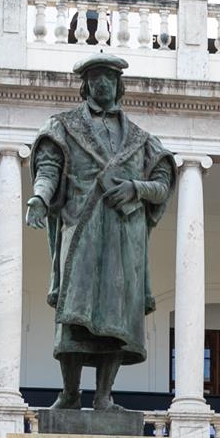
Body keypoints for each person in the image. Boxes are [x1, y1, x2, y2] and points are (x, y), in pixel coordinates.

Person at [25, 53, 175, 411]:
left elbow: (163, 182)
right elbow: (48, 167)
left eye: (108, 77)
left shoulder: (142, 139)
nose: (102, 83)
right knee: (74, 311)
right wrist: (40, 198)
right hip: (82, 229)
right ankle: (71, 393)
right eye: (95, 77)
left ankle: (105, 397)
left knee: (118, 315)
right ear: (86, 84)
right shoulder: (63, 126)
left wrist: (136, 189)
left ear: (119, 84)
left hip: (125, 236)